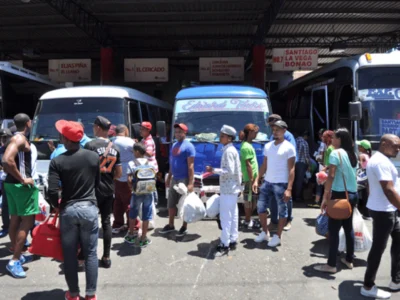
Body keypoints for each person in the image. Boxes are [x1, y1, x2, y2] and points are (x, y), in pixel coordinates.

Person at [48, 120, 100, 300]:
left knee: (69, 255)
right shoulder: (93, 157)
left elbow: (52, 190)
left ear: (65, 138)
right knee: (91, 254)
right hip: (89, 208)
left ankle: (73, 294)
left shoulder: (57, 161)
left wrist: (56, 205)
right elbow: (97, 183)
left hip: (68, 210)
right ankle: (91, 295)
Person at [360, 134, 400, 299]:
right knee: (378, 248)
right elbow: (389, 190)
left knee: (398, 240)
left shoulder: (379, 159)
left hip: (387, 209)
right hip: (385, 211)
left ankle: (396, 280)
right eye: (395, 145)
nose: (398, 149)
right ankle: (368, 286)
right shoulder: (381, 162)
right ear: (384, 144)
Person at [314, 128, 358, 274]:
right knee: (348, 228)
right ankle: (349, 259)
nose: (331, 140)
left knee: (333, 231)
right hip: (352, 194)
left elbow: (331, 176)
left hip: (339, 195)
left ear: (339, 139)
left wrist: (325, 196)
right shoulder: (352, 155)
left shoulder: (335, 152)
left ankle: (331, 265)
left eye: (333, 137)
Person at [2, 113, 38, 278]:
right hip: (20, 186)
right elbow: (7, 160)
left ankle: (17, 254)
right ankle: (15, 260)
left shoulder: (14, 138)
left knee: (15, 219)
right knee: (27, 221)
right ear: (28, 123)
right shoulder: (19, 139)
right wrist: (23, 179)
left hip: (11, 184)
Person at [85, 116, 122, 269]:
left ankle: (85, 256)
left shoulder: (90, 145)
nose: (93, 128)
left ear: (98, 127)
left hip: (92, 190)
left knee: (88, 223)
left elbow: (84, 168)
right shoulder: (115, 148)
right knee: (106, 222)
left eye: (94, 126)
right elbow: (119, 173)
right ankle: (106, 257)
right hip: (108, 189)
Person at [255, 120, 296, 247]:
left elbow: (292, 169)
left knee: (281, 211)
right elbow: (264, 165)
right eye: (273, 130)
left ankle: (278, 236)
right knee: (261, 207)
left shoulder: (289, 147)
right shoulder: (268, 146)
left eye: (278, 129)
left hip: (281, 183)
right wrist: (257, 179)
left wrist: (289, 188)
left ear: (284, 131)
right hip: (267, 182)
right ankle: (264, 231)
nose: (275, 132)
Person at [206, 125, 241, 256]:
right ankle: (233, 239)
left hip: (228, 189)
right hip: (232, 188)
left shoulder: (229, 151)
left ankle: (224, 244)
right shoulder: (230, 150)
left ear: (229, 138)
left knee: (225, 217)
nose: (220, 138)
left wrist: (213, 170)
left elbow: (229, 171)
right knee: (233, 215)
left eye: (222, 136)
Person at [160, 123, 195, 236]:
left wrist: (190, 183)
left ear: (185, 132)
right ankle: (171, 225)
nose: (177, 134)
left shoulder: (189, 146)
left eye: (180, 132)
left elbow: (191, 166)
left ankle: (184, 227)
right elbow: (172, 163)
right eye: (176, 132)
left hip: (184, 179)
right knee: (171, 203)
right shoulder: (174, 145)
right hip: (174, 179)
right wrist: (169, 177)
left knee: (184, 204)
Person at [267, 114, 296, 231]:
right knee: (273, 198)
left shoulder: (288, 136)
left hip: (284, 173)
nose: (272, 129)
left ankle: (288, 220)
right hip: (273, 173)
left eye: (273, 125)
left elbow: (292, 157)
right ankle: (274, 221)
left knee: (286, 197)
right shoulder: (272, 136)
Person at [124, 143, 155, 247]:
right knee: (146, 215)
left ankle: (132, 235)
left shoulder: (132, 163)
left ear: (137, 152)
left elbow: (128, 179)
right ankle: (143, 238)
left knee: (133, 213)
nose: (133, 153)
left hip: (136, 192)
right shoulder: (149, 163)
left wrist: (131, 188)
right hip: (148, 192)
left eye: (133, 151)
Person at [112, 124, 138, 235]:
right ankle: (133, 226)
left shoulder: (111, 141)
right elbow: (141, 153)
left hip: (115, 176)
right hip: (128, 176)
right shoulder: (129, 142)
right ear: (126, 131)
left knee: (117, 201)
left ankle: (118, 224)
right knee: (129, 202)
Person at [239, 124, 259, 229]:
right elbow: (248, 165)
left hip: (252, 179)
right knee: (248, 201)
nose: (256, 134)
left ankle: (248, 219)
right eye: (255, 132)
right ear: (250, 133)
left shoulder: (248, 145)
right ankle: (247, 220)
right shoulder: (246, 146)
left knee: (252, 200)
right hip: (249, 179)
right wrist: (252, 180)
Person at [309, 130, 334, 208]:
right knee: (326, 190)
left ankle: (328, 208)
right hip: (326, 169)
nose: (322, 138)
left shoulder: (330, 148)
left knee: (327, 191)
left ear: (328, 138)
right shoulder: (328, 147)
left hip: (328, 171)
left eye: (324, 136)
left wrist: (325, 168)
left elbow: (333, 162)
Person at [0, 128, 14, 238]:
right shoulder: (1, 150)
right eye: (2, 137)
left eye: (6, 137)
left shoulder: (15, 149)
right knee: (5, 205)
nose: (4, 139)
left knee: (16, 206)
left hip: (15, 180)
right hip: (4, 180)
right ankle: (6, 227)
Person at [293, 131, 311, 202]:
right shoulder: (304, 143)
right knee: (299, 180)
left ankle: (293, 195)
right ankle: (298, 197)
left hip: (293, 162)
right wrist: (309, 165)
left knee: (294, 179)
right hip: (301, 163)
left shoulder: (294, 141)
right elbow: (306, 156)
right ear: (305, 136)